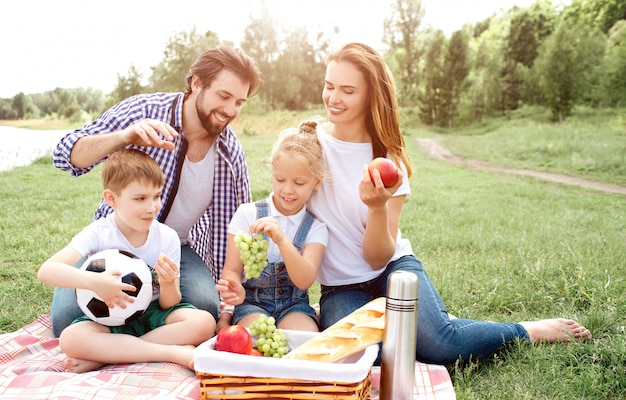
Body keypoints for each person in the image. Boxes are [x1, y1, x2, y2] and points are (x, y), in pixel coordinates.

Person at [309, 42, 592, 365]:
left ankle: (527, 330)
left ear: (371, 96)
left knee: (441, 347)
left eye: (347, 90)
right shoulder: (309, 144)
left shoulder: (387, 160)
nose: (333, 98)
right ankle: (432, 320)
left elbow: (378, 257)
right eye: (329, 86)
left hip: (392, 269)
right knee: (369, 359)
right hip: (340, 286)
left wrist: (376, 207)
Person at [50, 46, 263, 337]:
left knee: (205, 306)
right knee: (65, 319)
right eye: (224, 96)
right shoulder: (144, 112)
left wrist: (231, 290)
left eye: (239, 102)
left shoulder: (229, 153)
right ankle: (144, 334)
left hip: (176, 248)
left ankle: (120, 341)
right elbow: (65, 154)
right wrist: (124, 136)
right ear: (196, 83)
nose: (230, 110)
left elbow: (235, 230)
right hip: (115, 243)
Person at [38, 149, 216, 373]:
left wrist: (169, 283)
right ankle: (170, 352)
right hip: (107, 319)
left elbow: (169, 304)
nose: (152, 207)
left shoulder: (167, 237)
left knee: (204, 322)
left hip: (152, 314)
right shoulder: (99, 232)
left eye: (156, 196)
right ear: (112, 199)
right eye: (140, 199)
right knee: (71, 339)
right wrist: (95, 282)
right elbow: (47, 270)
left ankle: (109, 356)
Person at [216, 121, 327, 333]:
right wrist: (234, 288)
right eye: (280, 179)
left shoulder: (316, 228)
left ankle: (226, 319)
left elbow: (304, 281)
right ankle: (228, 315)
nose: (287, 189)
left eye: (299, 183)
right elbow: (231, 270)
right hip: (252, 305)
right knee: (255, 339)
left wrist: (282, 240)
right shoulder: (248, 214)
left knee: (304, 339)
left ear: (317, 182)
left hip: (294, 307)